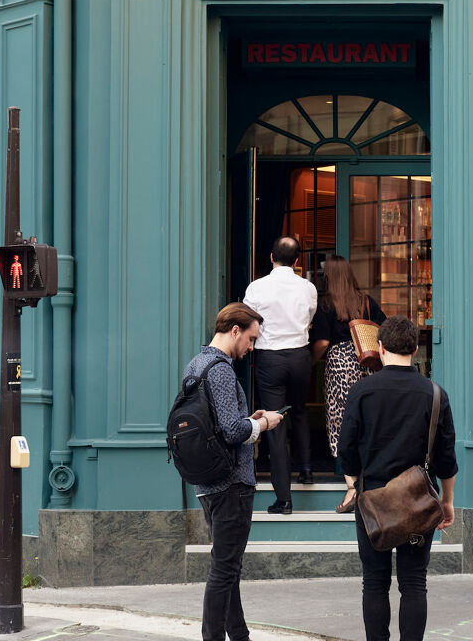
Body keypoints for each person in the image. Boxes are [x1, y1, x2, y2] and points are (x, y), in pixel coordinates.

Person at [339, 316, 457, 641]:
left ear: (379, 347)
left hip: (371, 502)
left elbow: (346, 450)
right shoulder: (434, 393)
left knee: (374, 582)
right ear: (416, 348)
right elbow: (446, 459)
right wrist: (446, 502)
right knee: (414, 582)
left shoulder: (362, 390)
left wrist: (352, 484)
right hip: (418, 501)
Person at [188, 303, 285, 641]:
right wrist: (262, 423)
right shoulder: (221, 370)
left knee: (228, 566)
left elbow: (218, 423)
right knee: (224, 568)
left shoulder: (196, 365)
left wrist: (250, 419)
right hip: (231, 483)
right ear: (235, 331)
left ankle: (239, 634)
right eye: (251, 339)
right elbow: (231, 431)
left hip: (207, 482)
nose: (251, 347)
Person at [244, 236, 319, 514]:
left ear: (271, 258)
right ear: (297, 261)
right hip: (299, 355)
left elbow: (249, 319)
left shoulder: (257, 287)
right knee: (299, 411)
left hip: (270, 357)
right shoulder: (308, 287)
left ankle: (284, 499)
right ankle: (307, 470)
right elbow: (310, 317)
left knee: (274, 423)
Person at [311, 255, 386, 513]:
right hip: (365, 362)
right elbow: (385, 331)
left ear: (329, 276)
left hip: (339, 365)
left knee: (339, 422)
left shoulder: (326, 306)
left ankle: (352, 485)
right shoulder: (366, 302)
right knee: (366, 420)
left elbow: (321, 343)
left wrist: (309, 362)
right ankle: (369, 479)